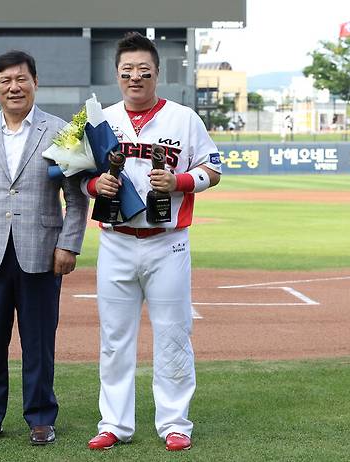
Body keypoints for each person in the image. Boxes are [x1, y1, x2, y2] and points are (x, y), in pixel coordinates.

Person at [83, 32, 222, 452]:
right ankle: (114, 423)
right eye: (127, 71)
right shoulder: (100, 120)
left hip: (168, 243)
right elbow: (77, 175)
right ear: (117, 75)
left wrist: (180, 180)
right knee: (114, 337)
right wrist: (96, 184)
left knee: (174, 333)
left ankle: (176, 423)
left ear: (157, 73)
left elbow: (213, 169)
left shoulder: (184, 118)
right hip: (117, 241)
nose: (135, 77)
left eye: (144, 70)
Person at [0, 50, 89, 446]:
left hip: (43, 253)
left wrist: (69, 245)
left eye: (22, 78)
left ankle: (41, 417)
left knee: (39, 341)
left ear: (35, 82)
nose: (14, 86)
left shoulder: (61, 131)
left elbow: (76, 197)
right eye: (5, 80)